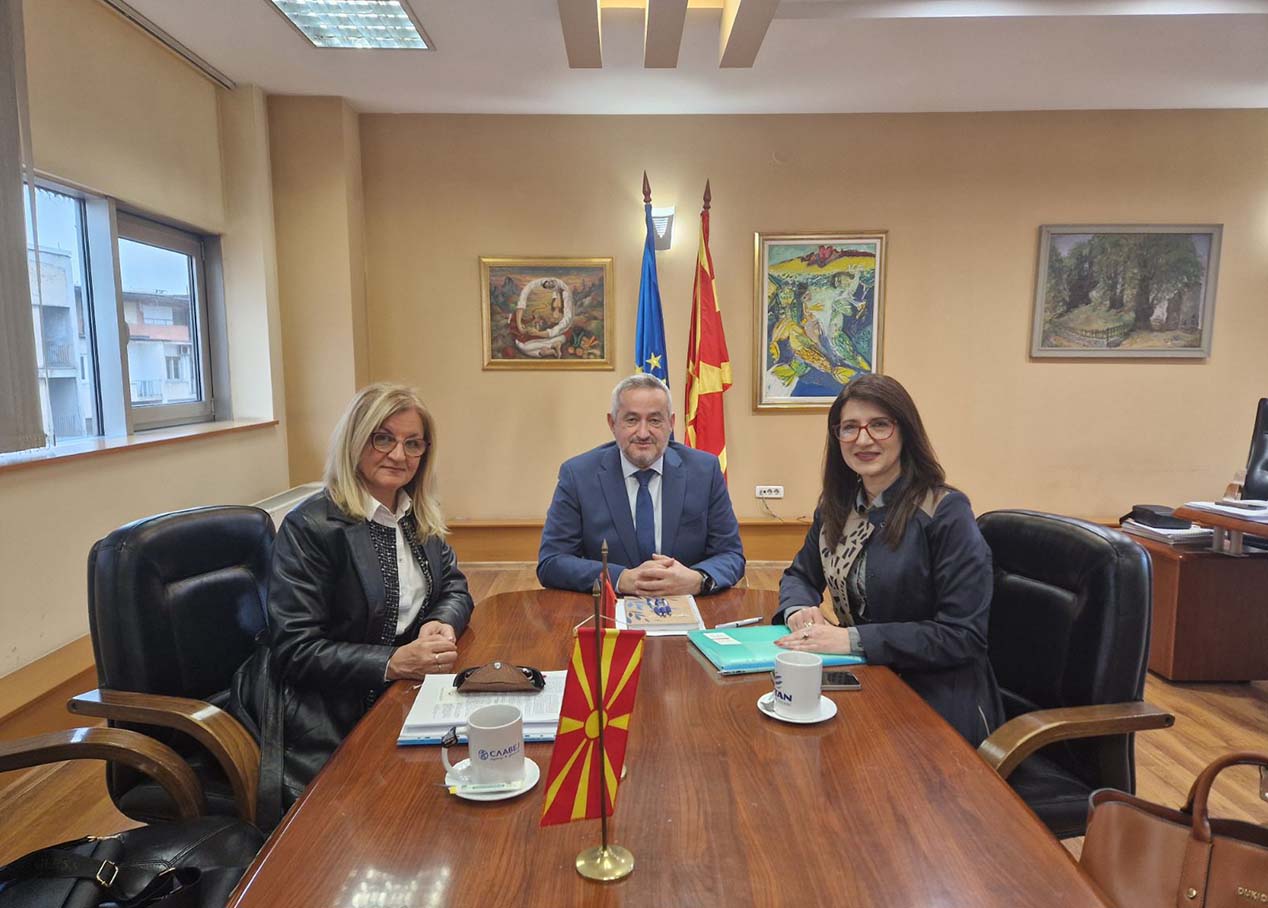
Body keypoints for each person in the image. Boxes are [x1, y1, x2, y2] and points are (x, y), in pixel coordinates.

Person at [256, 383, 475, 810]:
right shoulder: (311, 527)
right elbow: (294, 650)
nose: (398, 454)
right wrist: (392, 662)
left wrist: (441, 621)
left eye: (413, 443)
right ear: (355, 441)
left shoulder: (416, 514)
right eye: (383, 438)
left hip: (405, 693)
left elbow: (453, 585)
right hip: (331, 709)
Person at [773, 373, 1003, 745]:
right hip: (866, 679)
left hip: (936, 701)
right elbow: (800, 574)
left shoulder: (945, 512)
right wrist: (798, 608)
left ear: (905, 431)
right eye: (850, 427)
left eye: (879, 425)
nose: (863, 439)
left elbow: (962, 636)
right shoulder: (837, 507)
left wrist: (851, 639)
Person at [537, 373, 745, 596]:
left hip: (687, 603)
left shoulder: (704, 471)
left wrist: (698, 579)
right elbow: (551, 561)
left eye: (655, 420)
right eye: (632, 420)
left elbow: (731, 554)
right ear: (612, 423)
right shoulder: (578, 475)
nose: (643, 433)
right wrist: (619, 578)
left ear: (671, 423)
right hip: (609, 606)